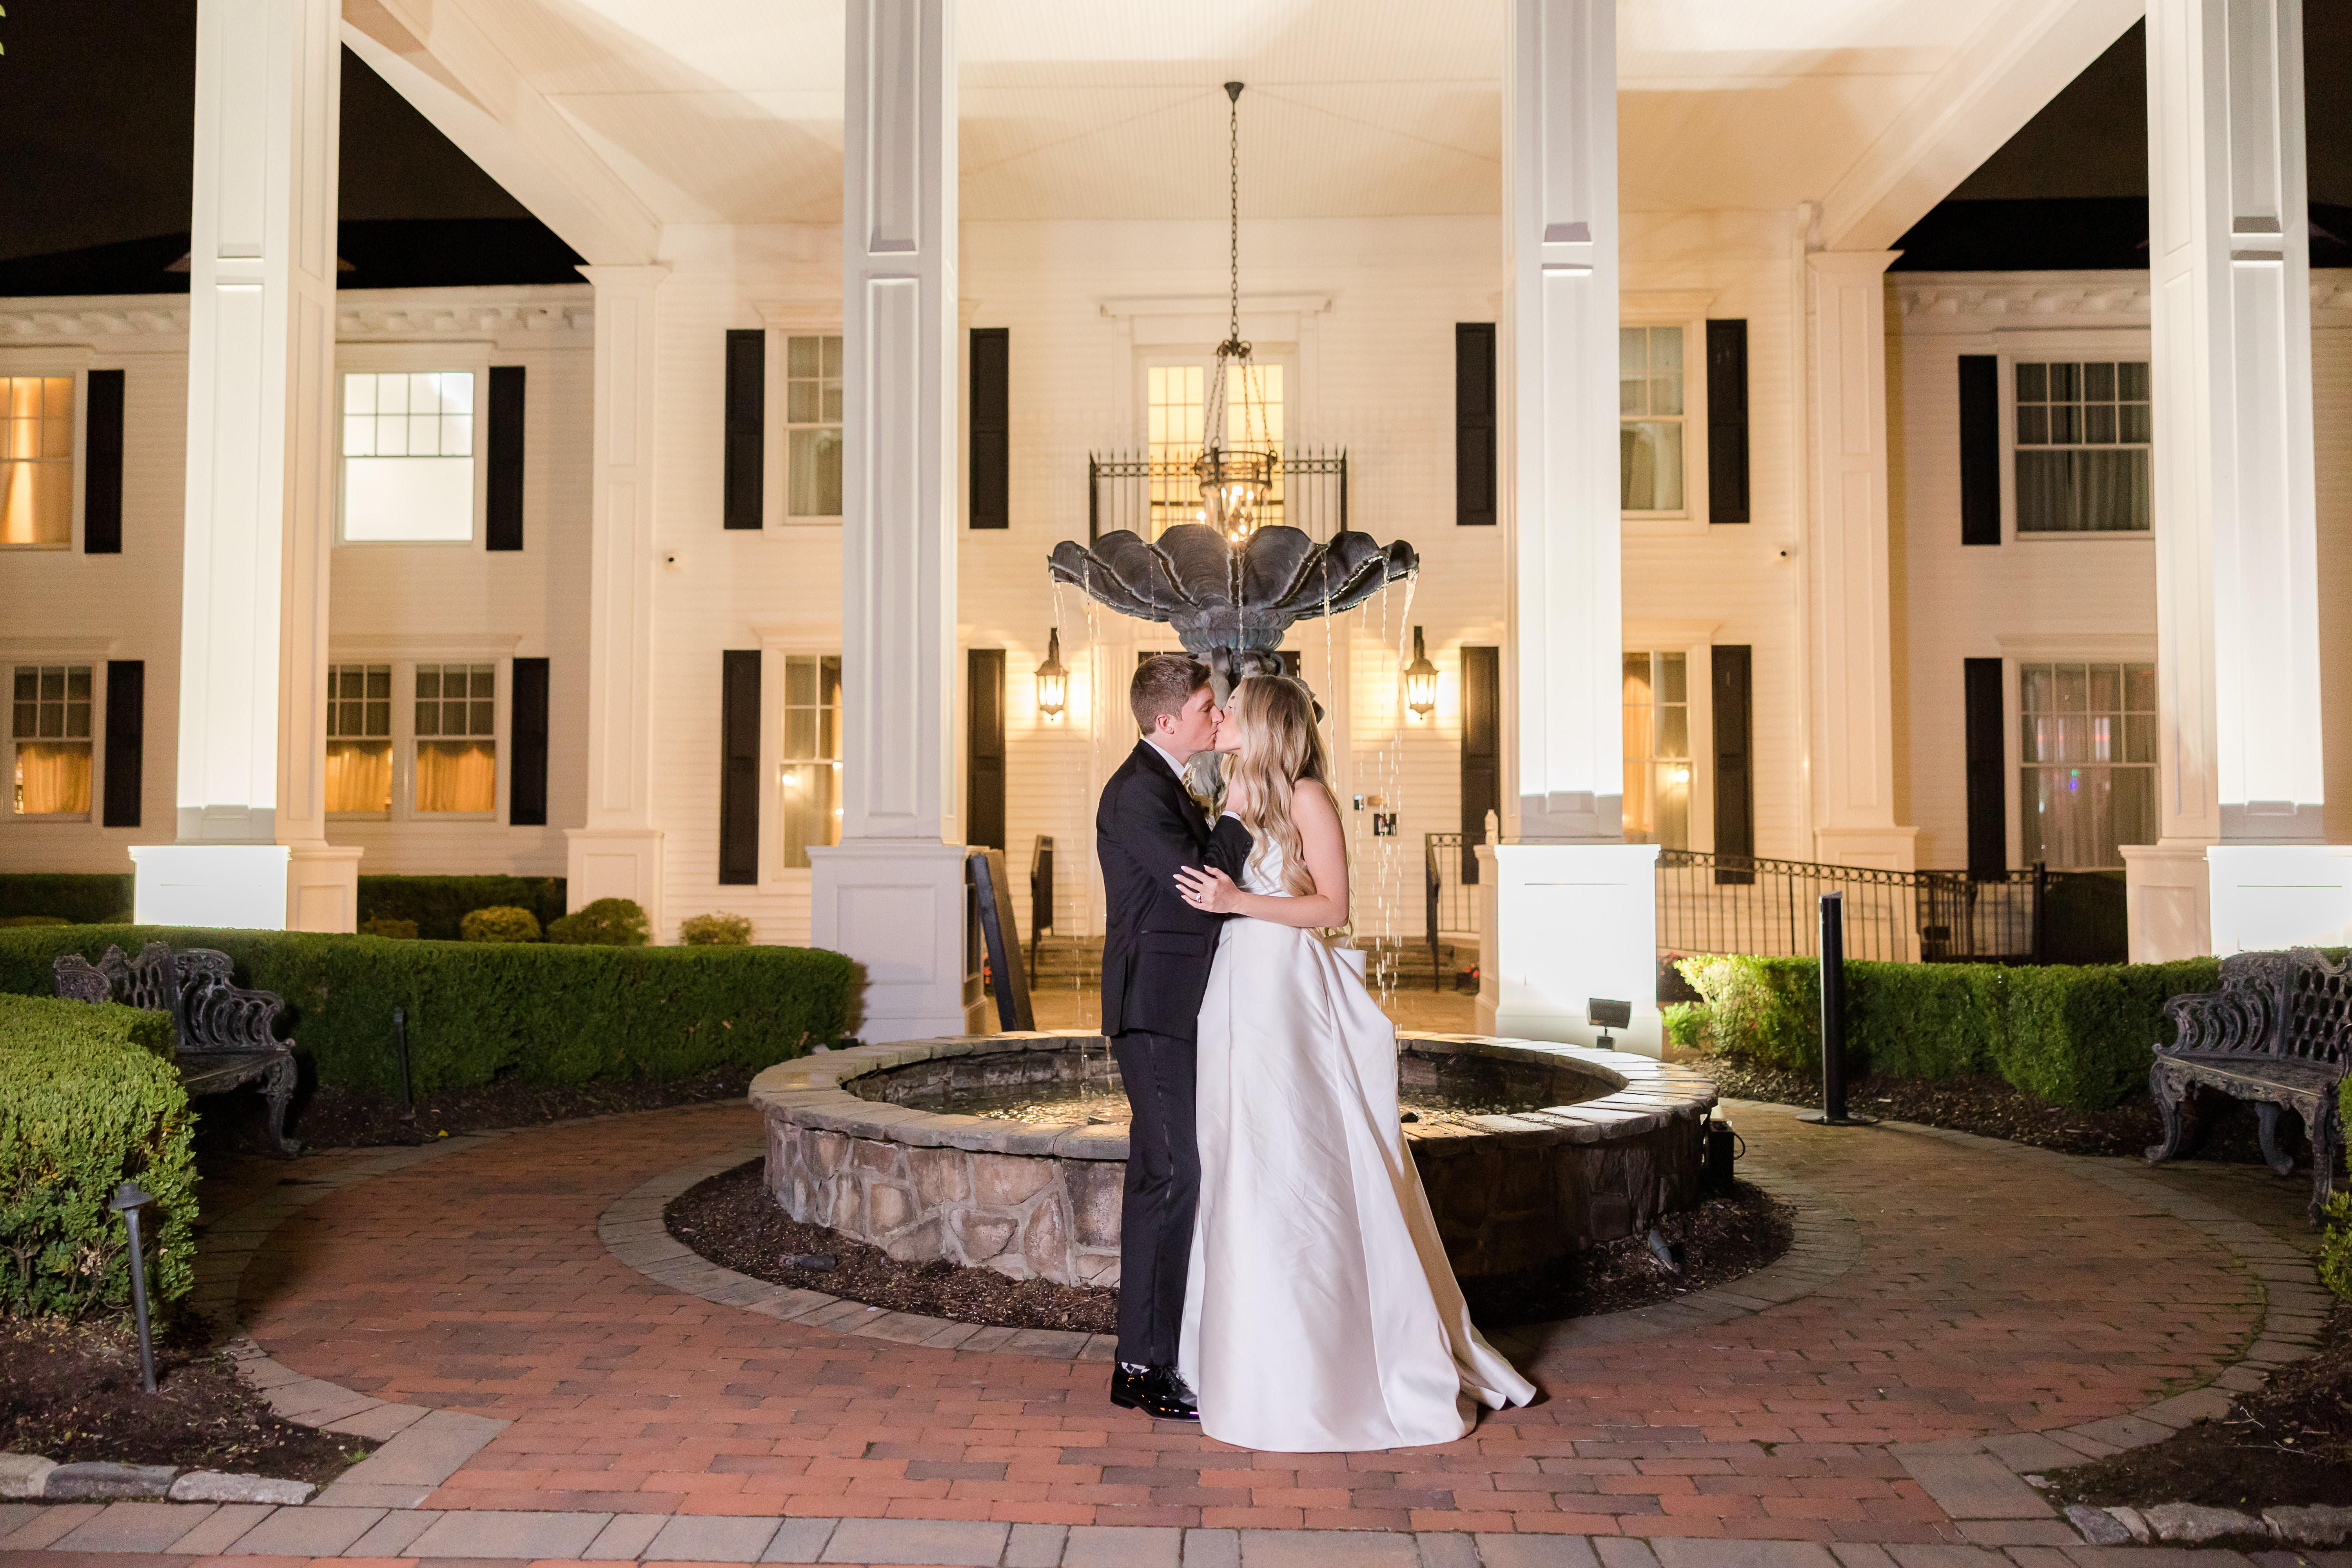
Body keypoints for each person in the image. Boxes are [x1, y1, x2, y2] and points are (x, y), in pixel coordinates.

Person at [1172, 674, 1537, 1452]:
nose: (1223, 716)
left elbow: (1331, 907)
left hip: (1284, 985)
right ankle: (1249, 1363)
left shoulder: (1308, 796)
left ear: (1266, 722)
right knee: (1238, 1161)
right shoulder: (1237, 792)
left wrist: (1239, 902)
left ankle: (1330, 1366)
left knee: (1295, 1157)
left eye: (1234, 708)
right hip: (1236, 983)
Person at [1094, 653, 1254, 1423]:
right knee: (1173, 1173)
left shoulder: (1163, 783)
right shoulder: (1135, 795)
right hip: (1154, 1008)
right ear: (1167, 720)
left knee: (1161, 1173)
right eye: (1204, 705)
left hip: (1177, 1007)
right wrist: (1239, 813)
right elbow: (1200, 897)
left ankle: (1144, 1355)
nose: (1213, 715)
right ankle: (1144, 1367)